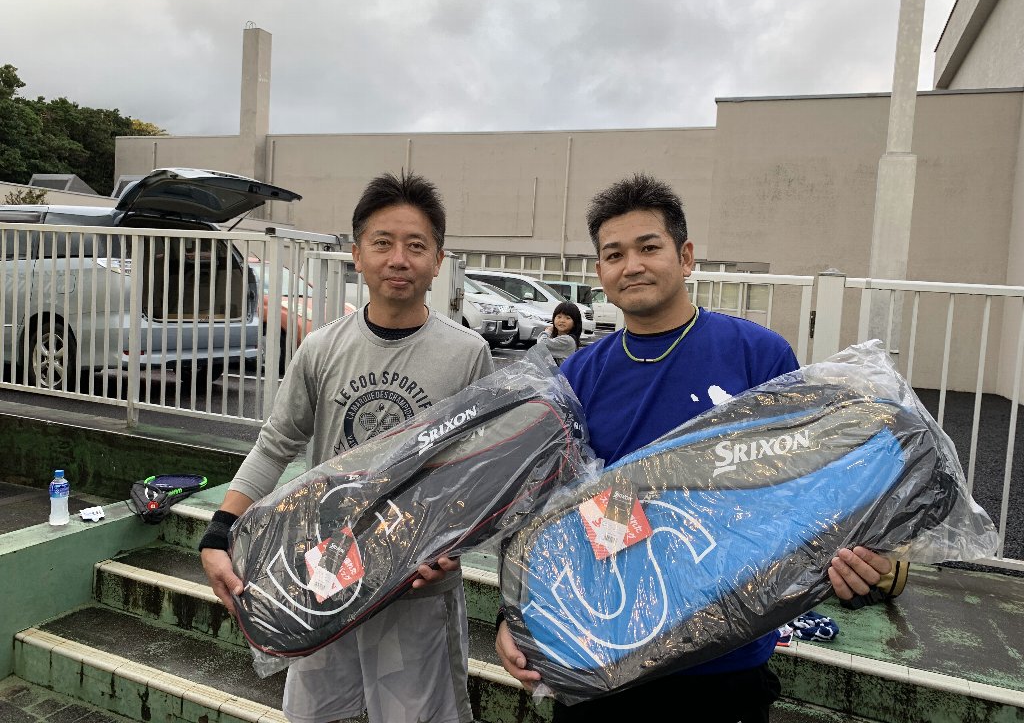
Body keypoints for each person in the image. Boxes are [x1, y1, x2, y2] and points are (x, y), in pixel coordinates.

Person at [494, 172, 901, 723]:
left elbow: (806, 490)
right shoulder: (578, 374)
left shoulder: (758, 355)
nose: (632, 265)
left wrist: (857, 554)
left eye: (649, 247)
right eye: (614, 254)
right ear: (600, 273)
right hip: (600, 651)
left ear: (685, 257)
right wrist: (514, 615)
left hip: (724, 661)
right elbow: (545, 509)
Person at [200, 171, 493, 723]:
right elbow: (276, 444)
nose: (398, 259)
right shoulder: (321, 348)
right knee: (314, 715)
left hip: (415, 584)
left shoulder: (467, 354)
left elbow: (479, 472)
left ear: (438, 260)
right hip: (324, 573)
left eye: (416, 245)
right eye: (382, 243)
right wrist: (218, 532)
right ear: (357, 255)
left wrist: (454, 547)